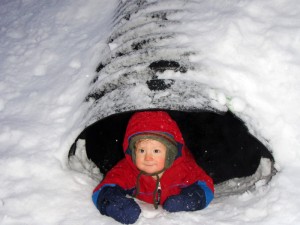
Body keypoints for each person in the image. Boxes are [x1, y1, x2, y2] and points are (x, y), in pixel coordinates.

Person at [92, 111, 214, 224]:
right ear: (133, 152)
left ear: (169, 154)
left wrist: (190, 200)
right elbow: (105, 188)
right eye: (142, 150)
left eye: (156, 151)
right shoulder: (129, 169)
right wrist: (114, 202)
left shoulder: (183, 168)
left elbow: (205, 185)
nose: (148, 158)